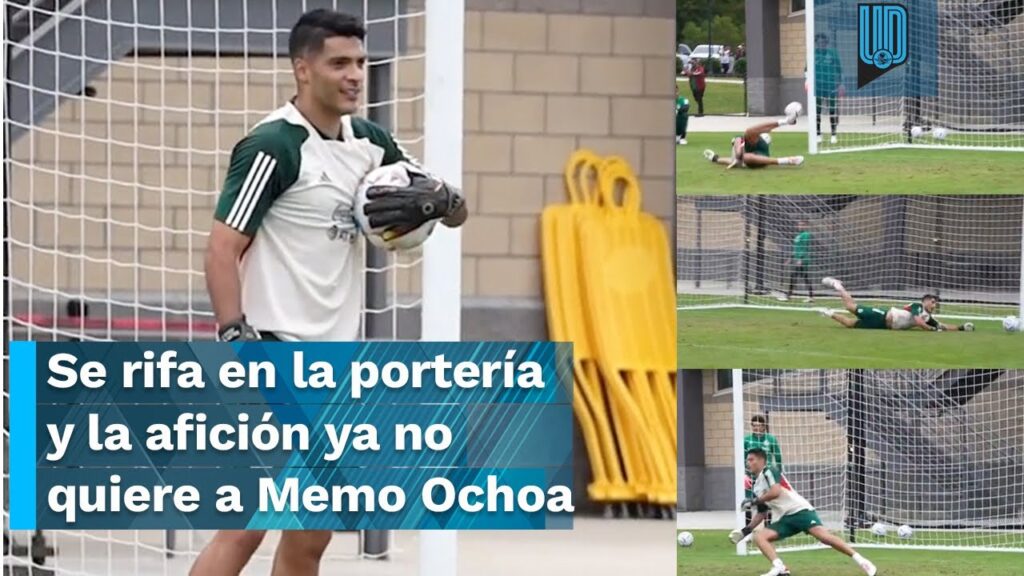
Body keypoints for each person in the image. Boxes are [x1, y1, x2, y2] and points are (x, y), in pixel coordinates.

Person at [192, 9, 467, 576]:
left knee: (310, 535)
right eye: (339, 62)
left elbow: (444, 204)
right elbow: (222, 249)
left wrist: (447, 201)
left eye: (361, 62)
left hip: (334, 366)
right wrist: (238, 340)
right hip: (273, 351)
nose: (354, 75)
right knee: (245, 527)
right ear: (302, 69)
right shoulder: (274, 146)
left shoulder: (370, 143)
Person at [731, 448, 878, 576]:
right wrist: (746, 530)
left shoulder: (769, 470)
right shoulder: (756, 486)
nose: (748, 463)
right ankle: (780, 568)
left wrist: (753, 501)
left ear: (761, 460)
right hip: (785, 519)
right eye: (747, 460)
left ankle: (862, 561)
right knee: (760, 536)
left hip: (800, 511)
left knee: (824, 537)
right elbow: (762, 513)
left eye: (751, 459)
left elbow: (775, 491)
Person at [817, 278, 974, 332]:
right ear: (925, 301)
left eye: (935, 303)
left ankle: (828, 313)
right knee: (850, 307)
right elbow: (919, 322)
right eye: (933, 302)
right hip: (882, 315)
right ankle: (837, 285)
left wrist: (960, 327)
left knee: (850, 324)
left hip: (884, 326)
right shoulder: (917, 307)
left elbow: (943, 325)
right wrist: (932, 329)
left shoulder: (928, 317)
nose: (934, 305)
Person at [702, 108, 805, 169]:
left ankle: (784, 121)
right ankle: (788, 160)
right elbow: (731, 160)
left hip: (760, 149)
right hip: (755, 159)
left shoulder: (740, 139)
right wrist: (715, 158)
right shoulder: (743, 155)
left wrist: (738, 154)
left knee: (749, 132)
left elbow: (738, 146)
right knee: (745, 157)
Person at [743, 415, 783, 526]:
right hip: (751, 476)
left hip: (766, 476)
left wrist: (779, 472)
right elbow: (743, 457)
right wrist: (744, 474)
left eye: (759, 425)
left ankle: (768, 527)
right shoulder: (747, 440)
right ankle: (748, 530)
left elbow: (778, 456)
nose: (757, 428)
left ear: (764, 426)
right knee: (748, 502)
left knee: (766, 502)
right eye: (754, 425)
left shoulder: (771, 439)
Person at [812, 33, 843, 145]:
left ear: (826, 43)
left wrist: (840, 84)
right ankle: (818, 134)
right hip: (818, 88)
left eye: (823, 42)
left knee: (832, 111)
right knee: (817, 112)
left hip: (831, 86)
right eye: (819, 42)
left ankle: (833, 134)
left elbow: (839, 70)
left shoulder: (832, 53)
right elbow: (807, 69)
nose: (821, 44)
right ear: (816, 43)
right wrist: (807, 81)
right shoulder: (813, 54)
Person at [779, 220, 814, 302]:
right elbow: (796, 248)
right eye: (799, 225)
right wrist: (790, 258)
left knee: (794, 276)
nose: (800, 226)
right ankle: (811, 297)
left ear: (806, 226)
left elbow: (805, 247)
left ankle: (789, 296)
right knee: (804, 278)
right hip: (797, 259)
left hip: (803, 259)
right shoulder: (798, 235)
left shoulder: (806, 234)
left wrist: (801, 259)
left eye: (802, 225)